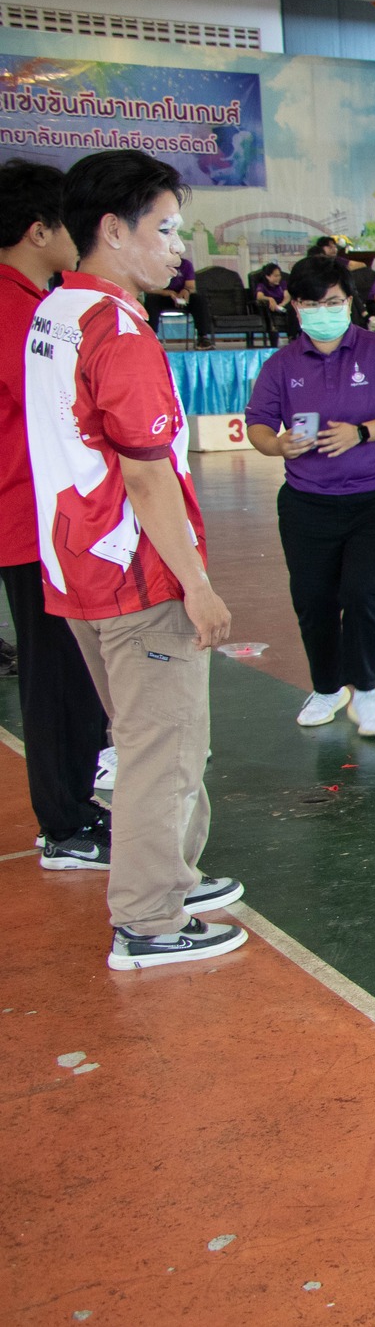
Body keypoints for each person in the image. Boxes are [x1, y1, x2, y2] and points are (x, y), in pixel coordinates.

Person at [24, 149, 245, 969]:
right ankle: (149, 919)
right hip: (136, 575)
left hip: (78, 566)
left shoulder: (57, 313)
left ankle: (172, 873)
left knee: (148, 735)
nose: (177, 248)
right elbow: (149, 480)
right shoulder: (115, 333)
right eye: (166, 229)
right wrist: (198, 584)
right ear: (113, 232)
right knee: (167, 745)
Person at [242, 254, 375, 736]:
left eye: (336, 302)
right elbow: (258, 422)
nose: (326, 310)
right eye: (314, 303)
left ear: (350, 303)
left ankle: (365, 692)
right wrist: (277, 444)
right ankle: (327, 688)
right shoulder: (281, 365)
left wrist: (361, 433)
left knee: (363, 591)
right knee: (313, 597)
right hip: (308, 502)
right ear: (296, 306)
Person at [0, 159, 111, 873]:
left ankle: (70, 809)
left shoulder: (27, 300)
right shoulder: (19, 311)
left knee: (61, 671)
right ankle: (66, 822)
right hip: (29, 519)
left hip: (31, 517)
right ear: (40, 230)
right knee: (58, 675)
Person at [142, 251, 213, 347]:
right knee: (151, 299)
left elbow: (191, 286)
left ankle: (203, 337)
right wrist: (167, 293)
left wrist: (186, 290)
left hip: (182, 297)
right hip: (163, 296)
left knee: (199, 299)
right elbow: (149, 289)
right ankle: (151, 336)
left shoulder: (186, 265)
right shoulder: (156, 264)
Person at [253, 261, 295, 341]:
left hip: (282, 306)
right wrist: (270, 299)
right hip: (270, 307)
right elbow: (259, 296)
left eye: (279, 275)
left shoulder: (282, 284)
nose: (278, 278)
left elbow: (287, 296)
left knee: (292, 308)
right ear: (267, 276)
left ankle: (292, 336)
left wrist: (282, 304)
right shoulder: (262, 285)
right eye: (275, 276)